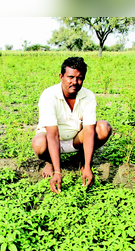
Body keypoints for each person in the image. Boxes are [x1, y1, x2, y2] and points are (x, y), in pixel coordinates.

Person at [32, 57, 112, 194]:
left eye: (80, 78)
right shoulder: (48, 96)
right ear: (61, 76)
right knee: (39, 143)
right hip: (53, 141)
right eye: (70, 77)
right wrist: (58, 172)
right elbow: (53, 135)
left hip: (76, 139)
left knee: (104, 128)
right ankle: (50, 162)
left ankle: (79, 159)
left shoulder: (88, 96)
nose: (75, 82)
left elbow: (88, 131)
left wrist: (87, 166)